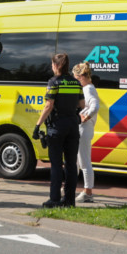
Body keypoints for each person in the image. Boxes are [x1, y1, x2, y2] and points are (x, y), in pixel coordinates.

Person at [34, 53, 83, 208]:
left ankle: (54, 199)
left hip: (57, 126)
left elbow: (49, 106)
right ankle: (69, 201)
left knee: (56, 164)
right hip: (72, 126)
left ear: (55, 65)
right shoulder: (76, 83)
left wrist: (37, 125)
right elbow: (82, 105)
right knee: (70, 165)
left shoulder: (54, 82)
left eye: (52, 64)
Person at [72, 61, 100, 204]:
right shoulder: (89, 87)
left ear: (80, 77)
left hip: (84, 128)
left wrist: (85, 117)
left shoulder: (87, 89)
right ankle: (73, 188)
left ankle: (88, 192)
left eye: (75, 79)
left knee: (84, 161)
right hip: (84, 128)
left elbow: (95, 106)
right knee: (77, 161)